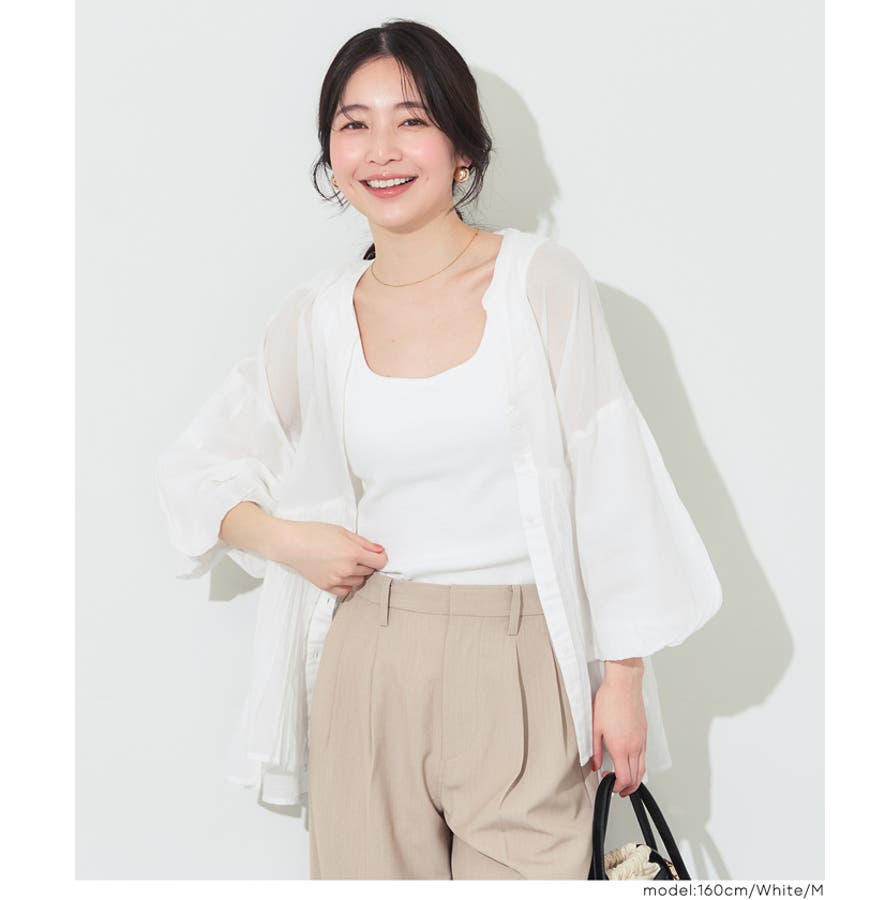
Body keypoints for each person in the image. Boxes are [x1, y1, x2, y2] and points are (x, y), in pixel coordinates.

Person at [156, 19, 723, 880]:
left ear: (462, 148)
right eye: (355, 123)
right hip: (370, 655)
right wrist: (288, 541)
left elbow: (613, 479)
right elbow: (195, 469)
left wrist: (624, 678)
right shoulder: (318, 315)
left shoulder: (539, 282)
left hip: (524, 658)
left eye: (412, 119)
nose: (381, 148)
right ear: (331, 155)